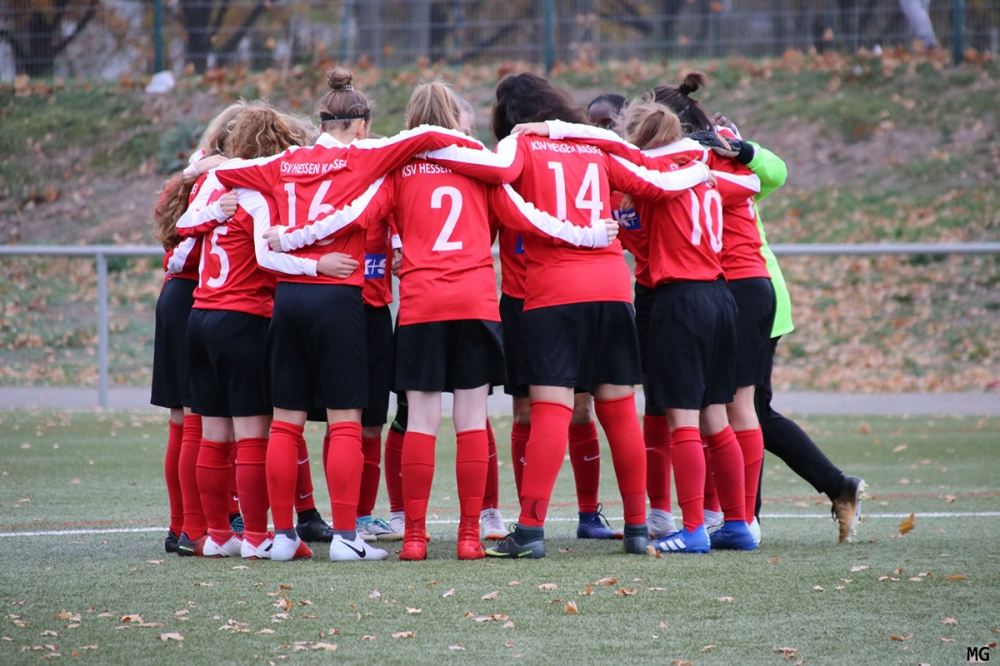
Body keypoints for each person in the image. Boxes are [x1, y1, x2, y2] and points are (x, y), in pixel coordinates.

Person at [267, 80, 618, 561]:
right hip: (475, 302)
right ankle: (470, 536)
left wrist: (294, 238)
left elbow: (358, 216)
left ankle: (414, 537)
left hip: (421, 304)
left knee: (422, 422)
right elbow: (522, 216)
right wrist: (586, 233)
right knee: (471, 420)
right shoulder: (478, 161)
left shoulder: (398, 167)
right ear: (456, 118)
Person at [421, 72, 714, 559]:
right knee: (619, 409)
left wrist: (434, 151)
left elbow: (498, 183)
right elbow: (654, 184)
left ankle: (530, 530)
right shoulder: (595, 147)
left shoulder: (519, 146)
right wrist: (699, 170)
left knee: (551, 409)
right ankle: (638, 528)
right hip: (612, 288)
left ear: (511, 118)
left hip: (554, 292)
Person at [209, 68, 482, 563]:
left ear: (321, 122)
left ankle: (283, 537)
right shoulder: (364, 156)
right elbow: (428, 135)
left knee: (285, 423)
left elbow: (220, 172)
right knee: (345, 423)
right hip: (338, 298)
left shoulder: (287, 161)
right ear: (362, 124)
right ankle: (346, 536)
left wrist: (246, 202)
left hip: (289, 298)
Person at [529, 97, 764, 553]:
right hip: (721, 296)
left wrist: (557, 133)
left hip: (680, 299)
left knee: (682, 418)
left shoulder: (652, 178)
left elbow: (634, 229)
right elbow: (751, 182)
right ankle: (738, 522)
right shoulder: (703, 167)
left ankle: (692, 528)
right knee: (717, 416)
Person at [661, 77, 869, 543]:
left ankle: (745, 518)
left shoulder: (710, 159)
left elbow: (774, 172)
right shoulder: (693, 161)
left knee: (740, 408)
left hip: (743, 292)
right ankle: (820, 491)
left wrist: (743, 148)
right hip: (742, 292)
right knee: (750, 408)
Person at [175, 103, 318, 558]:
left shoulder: (214, 181)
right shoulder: (258, 191)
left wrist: (213, 210)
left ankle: (218, 535)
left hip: (201, 316)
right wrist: (315, 265)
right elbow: (267, 257)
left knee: (213, 435)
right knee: (253, 436)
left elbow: (183, 225)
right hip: (243, 319)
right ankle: (256, 536)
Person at [150, 103, 243, 556]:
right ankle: (193, 528)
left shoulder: (192, 177)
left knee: (184, 422)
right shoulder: (216, 180)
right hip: (193, 295)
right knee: (194, 423)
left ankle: (185, 526)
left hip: (180, 297)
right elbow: (181, 253)